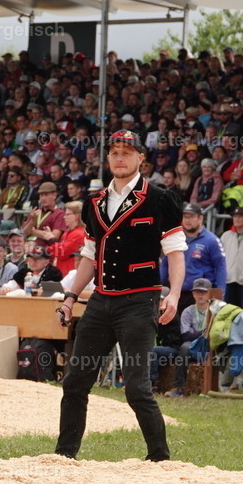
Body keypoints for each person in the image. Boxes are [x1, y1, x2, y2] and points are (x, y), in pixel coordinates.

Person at [55, 129, 186, 462]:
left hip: (140, 301)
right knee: (74, 382)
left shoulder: (159, 199)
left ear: (141, 158)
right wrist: (70, 297)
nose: (120, 158)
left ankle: (160, 458)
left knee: (137, 388)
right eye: (114, 152)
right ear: (108, 157)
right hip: (101, 298)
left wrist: (173, 296)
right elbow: (89, 254)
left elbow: (174, 252)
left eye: (127, 152)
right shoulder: (95, 202)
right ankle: (64, 455)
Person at [164, 279, 224, 398]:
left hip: (212, 344)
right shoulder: (188, 311)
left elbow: (218, 333)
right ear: (192, 294)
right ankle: (178, 387)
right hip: (195, 345)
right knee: (185, 347)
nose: (200, 295)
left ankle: (224, 386)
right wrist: (204, 332)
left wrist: (195, 332)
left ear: (209, 294)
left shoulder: (217, 311)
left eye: (203, 292)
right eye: (197, 292)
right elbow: (186, 335)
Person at [161, 202, 227, 312]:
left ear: (201, 218)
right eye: (184, 217)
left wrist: (219, 297)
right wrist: (160, 287)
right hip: (176, 293)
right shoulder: (176, 238)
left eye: (191, 217)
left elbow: (221, 268)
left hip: (201, 294)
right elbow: (165, 263)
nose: (187, 220)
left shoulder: (211, 240)